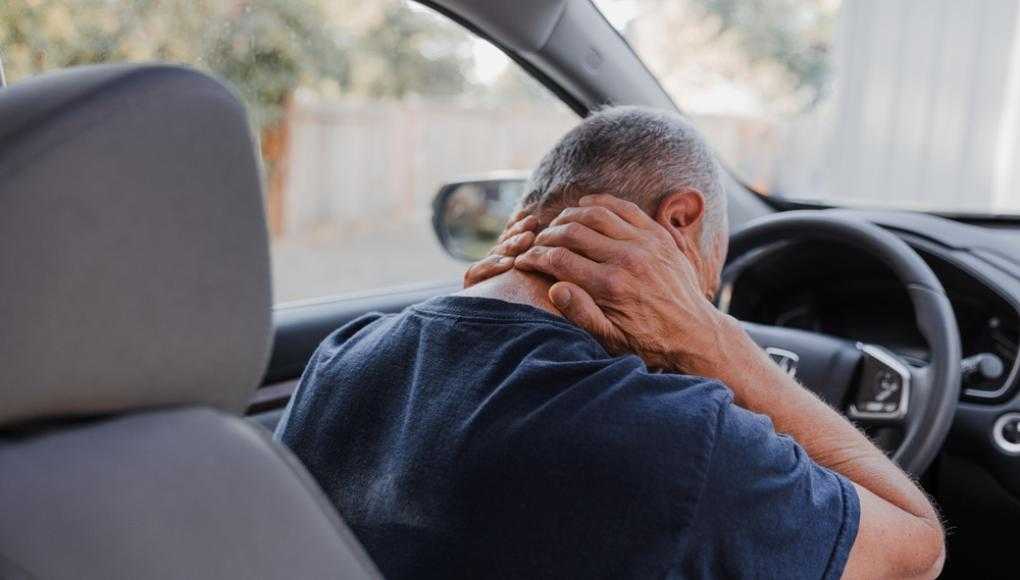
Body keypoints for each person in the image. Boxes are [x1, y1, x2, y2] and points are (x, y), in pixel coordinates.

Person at [276, 107, 944, 579]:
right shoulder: (678, 440)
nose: (697, 309)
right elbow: (916, 552)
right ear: (680, 221)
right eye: (705, 286)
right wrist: (715, 344)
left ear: (525, 221)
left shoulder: (345, 359)